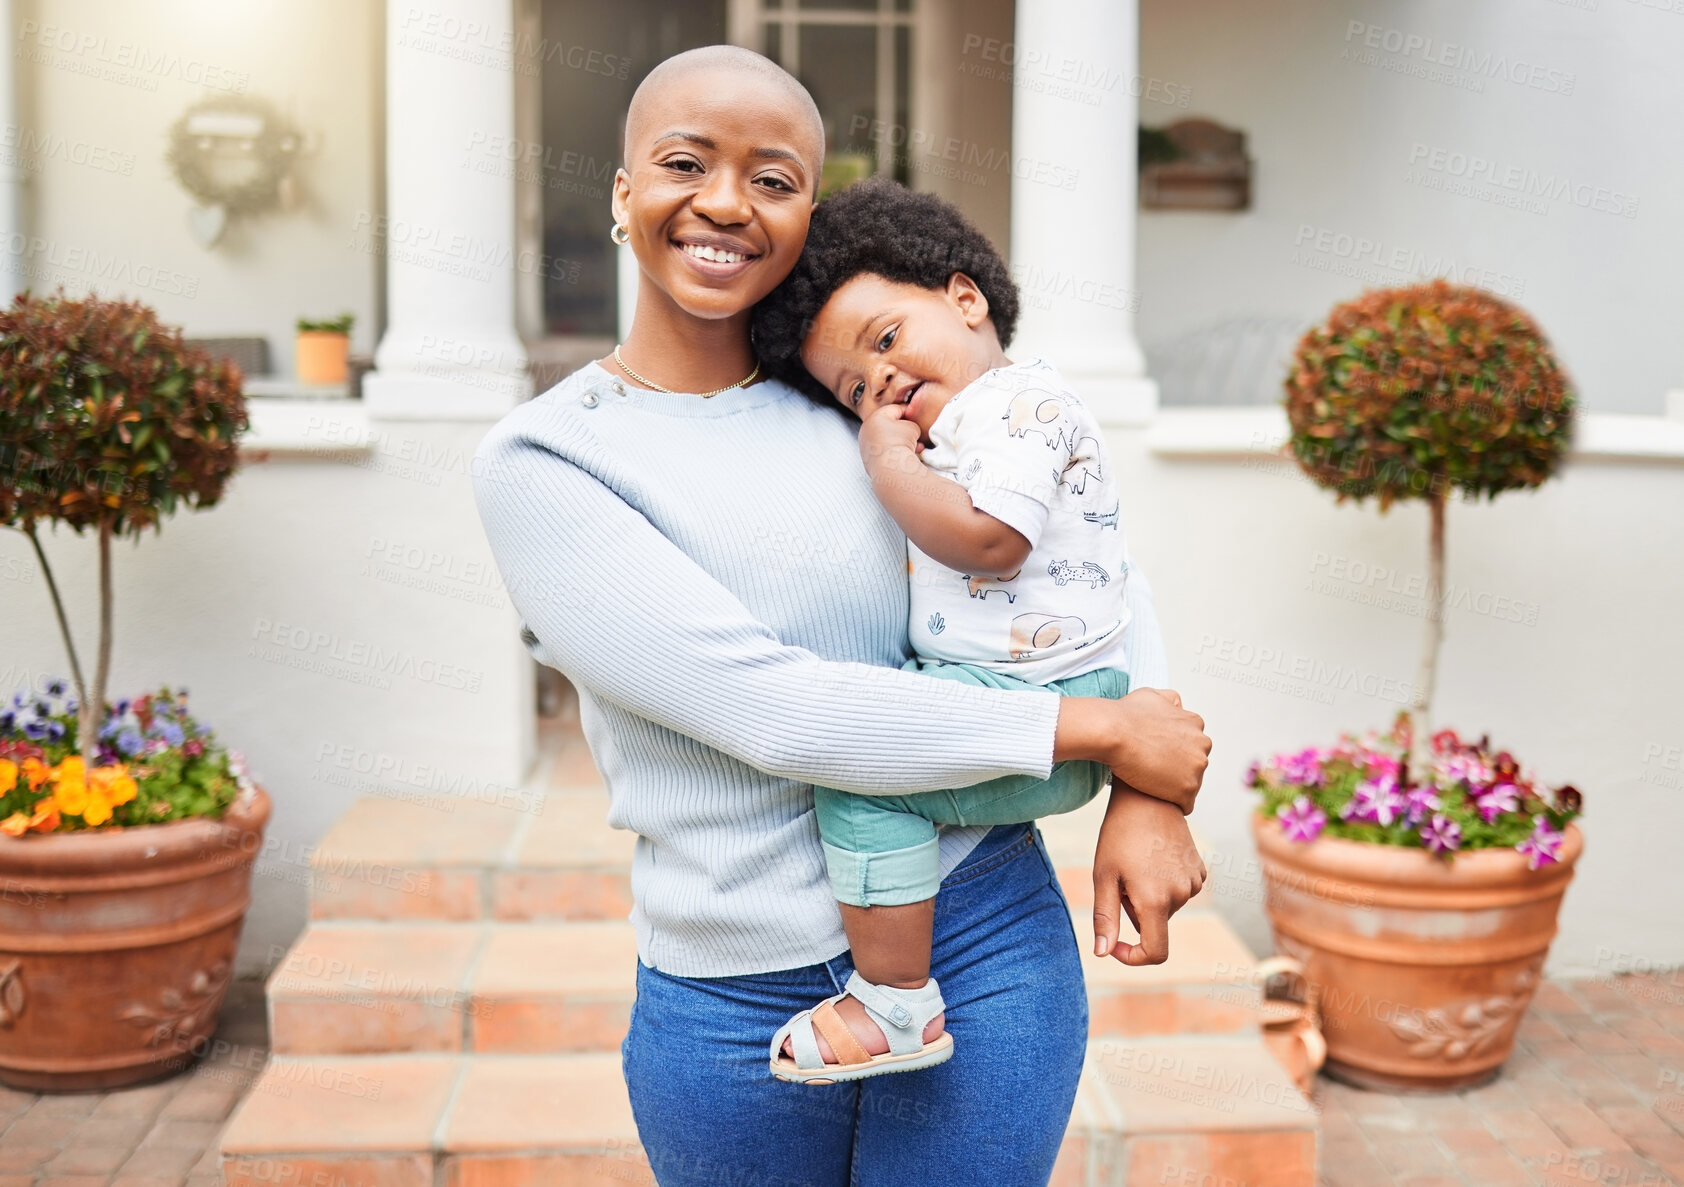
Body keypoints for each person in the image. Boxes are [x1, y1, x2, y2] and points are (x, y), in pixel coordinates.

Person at [472, 44, 1211, 1185]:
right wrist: (1101, 734)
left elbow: (1080, 557)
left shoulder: (870, 399)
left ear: (806, 212)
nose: (724, 201)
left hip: (983, 929)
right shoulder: (550, 458)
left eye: (771, 178)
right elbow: (771, 712)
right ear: (623, 193)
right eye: (683, 163)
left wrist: (1151, 789)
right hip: (734, 988)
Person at [753, 177, 1168, 1084]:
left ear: (966, 297)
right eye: (856, 387)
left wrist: (886, 456)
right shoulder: (972, 427)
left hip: (1049, 705)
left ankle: (894, 1001)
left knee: (865, 776)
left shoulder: (1019, 409)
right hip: (1040, 699)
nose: (883, 383)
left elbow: (990, 544)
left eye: (888, 340)